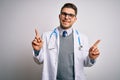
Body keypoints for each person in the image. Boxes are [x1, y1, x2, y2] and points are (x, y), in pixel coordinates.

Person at [32, 3, 100, 80]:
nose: (67, 17)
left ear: (75, 19)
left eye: (71, 15)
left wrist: (91, 57)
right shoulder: (46, 36)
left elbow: (86, 63)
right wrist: (37, 50)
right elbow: (39, 61)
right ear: (59, 16)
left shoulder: (83, 38)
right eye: (64, 14)